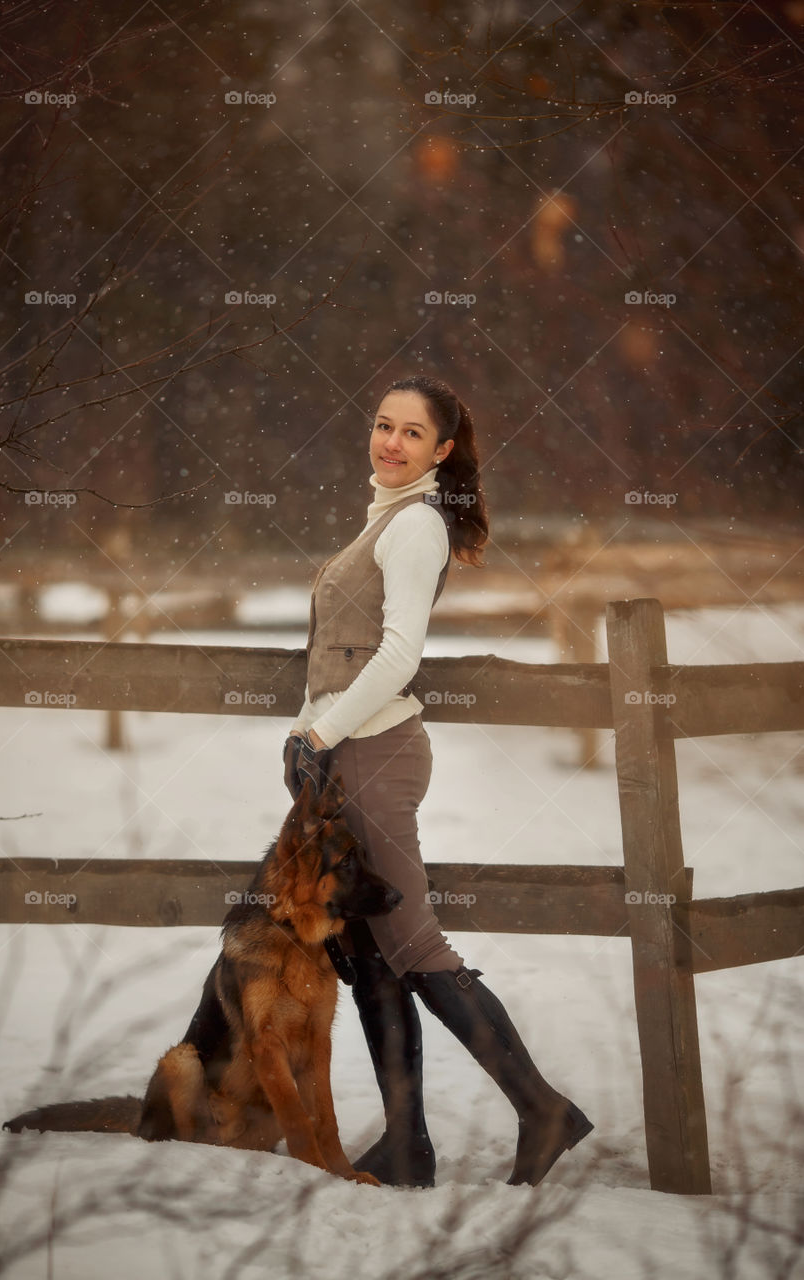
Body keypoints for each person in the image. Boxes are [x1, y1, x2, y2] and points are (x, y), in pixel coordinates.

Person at [282, 373, 593, 1188]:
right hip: (347, 757)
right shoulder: (384, 517)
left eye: (411, 433)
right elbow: (343, 652)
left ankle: (543, 1111)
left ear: (441, 450)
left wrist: (320, 730)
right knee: (369, 948)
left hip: (376, 758)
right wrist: (305, 734)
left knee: (412, 943)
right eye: (382, 425)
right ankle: (407, 1145)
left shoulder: (414, 526)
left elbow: (397, 657)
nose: (390, 442)